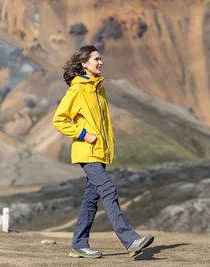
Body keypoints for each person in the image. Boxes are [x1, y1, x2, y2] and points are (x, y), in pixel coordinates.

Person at [53, 45, 154, 259]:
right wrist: (83, 134)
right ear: (84, 64)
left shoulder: (99, 87)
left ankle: (79, 245)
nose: (101, 62)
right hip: (87, 151)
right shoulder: (78, 88)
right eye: (96, 59)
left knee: (91, 200)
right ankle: (131, 240)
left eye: (101, 59)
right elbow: (59, 120)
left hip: (100, 152)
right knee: (108, 189)